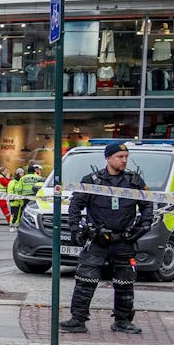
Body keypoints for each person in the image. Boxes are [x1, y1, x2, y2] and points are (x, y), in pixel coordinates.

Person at [61, 142, 152, 335]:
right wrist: (75, 229)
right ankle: (77, 320)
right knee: (85, 280)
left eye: (126, 157)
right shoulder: (92, 181)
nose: (124, 160)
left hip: (124, 240)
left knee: (125, 282)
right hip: (97, 240)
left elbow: (147, 205)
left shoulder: (134, 181)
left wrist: (144, 226)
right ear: (109, 158)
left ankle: (123, 321)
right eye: (120, 157)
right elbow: (75, 206)